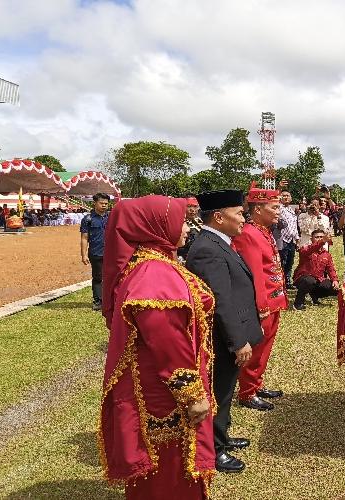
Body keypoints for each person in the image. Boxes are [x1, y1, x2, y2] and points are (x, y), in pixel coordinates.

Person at [99, 195, 215, 499]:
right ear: (156, 227)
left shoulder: (149, 264)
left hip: (155, 390)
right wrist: (192, 396)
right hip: (164, 400)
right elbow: (168, 344)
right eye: (180, 221)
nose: (188, 228)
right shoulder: (154, 275)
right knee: (171, 475)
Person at [185, 190, 264, 473]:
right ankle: (214, 450)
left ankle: (222, 437)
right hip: (222, 339)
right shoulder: (208, 248)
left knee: (226, 391)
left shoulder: (218, 241)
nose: (244, 217)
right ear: (218, 217)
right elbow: (221, 300)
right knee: (219, 391)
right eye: (239, 213)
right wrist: (238, 341)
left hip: (229, 336)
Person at [232, 183, 288, 411]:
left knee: (265, 349)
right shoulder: (249, 234)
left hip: (274, 302)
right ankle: (246, 392)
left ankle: (256, 385)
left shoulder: (263, 231)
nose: (278, 212)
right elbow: (255, 275)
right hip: (262, 305)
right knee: (256, 350)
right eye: (274, 207)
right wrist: (262, 306)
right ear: (257, 209)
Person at [292, 229, 339, 310]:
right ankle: (298, 303)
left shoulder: (326, 254)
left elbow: (331, 269)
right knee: (309, 281)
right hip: (302, 278)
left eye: (321, 237)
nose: (320, 239)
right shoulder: (305, 249)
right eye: (317, 237)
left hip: (318, 280)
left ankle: (314, 295)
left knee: (333, 288)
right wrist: (323, 241)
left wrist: (335, 280)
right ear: (311, 239)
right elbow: (311, 249)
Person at [80, 193, 111, 311]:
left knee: (111, 277)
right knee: (98, 277)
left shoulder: (111, 217)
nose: (104, 205)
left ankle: (110, 300)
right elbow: (84, 237)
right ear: (94, 203)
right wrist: (83, 254)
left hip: (111, 253)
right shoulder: (88, 219)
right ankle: (98, 301)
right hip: (96, 252)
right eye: (101, 203)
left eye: (106, 204)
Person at [276, 187, 299, 290]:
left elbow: (294, 226)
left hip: (291, 240)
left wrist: (297, 239)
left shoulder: (291, 210)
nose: (285, 197)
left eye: (287, 196)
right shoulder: (279, 208)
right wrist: (279, 189)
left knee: (290, 261)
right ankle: (281, 282)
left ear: (291, 198)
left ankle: (288, 281)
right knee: (282, 262)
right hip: (282, 239)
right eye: (283, 195)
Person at [177, 196, 203, 261]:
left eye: (195, 206)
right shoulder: (178, 222)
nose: (192, 210)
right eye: (189, 206)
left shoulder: (202, 221)